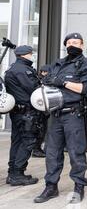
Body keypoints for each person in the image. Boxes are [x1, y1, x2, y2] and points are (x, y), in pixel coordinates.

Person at [34, 33, 87, 204]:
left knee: (76, 153)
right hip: (55, 114)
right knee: (52, 153)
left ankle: (79, 186)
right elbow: (46, 82)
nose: (72, 45)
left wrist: (63, 83)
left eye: (76, 42)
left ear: (82, 45)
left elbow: (86, 89)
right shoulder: (58, 64)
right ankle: (51, 186)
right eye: (69, 42)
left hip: (73, 114)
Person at [4, 46, 41, 186]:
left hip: (17, 112)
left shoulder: (12, 69)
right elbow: (33, 89)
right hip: (26, 112)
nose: (32, 56)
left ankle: (12, 173)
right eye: (31, 54)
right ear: (26, 55)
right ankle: (17, 173)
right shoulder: (23, 70)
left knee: (17, 141)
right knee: (28, 141)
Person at [32, 64, 51, 158]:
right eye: (43, 72)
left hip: (44, 111)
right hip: (38, 110)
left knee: (43, 130)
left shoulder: (48, 80)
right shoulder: (38, 81)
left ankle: (38, 148)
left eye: (46, 72)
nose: (44, 73)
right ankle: (36, 149)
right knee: (39, 130)